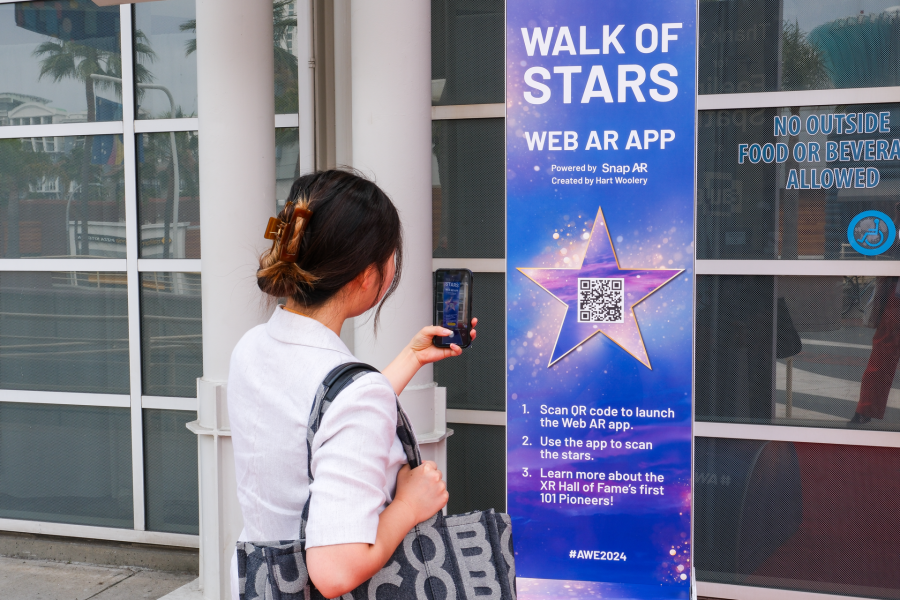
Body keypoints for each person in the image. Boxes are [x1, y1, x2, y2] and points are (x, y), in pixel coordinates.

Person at [227, 170, 476, 598]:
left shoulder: (251, 347)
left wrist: (410, 358)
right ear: (365, 274)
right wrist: (408, 506)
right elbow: (335, 571)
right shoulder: (356, 394)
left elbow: (314, 418)